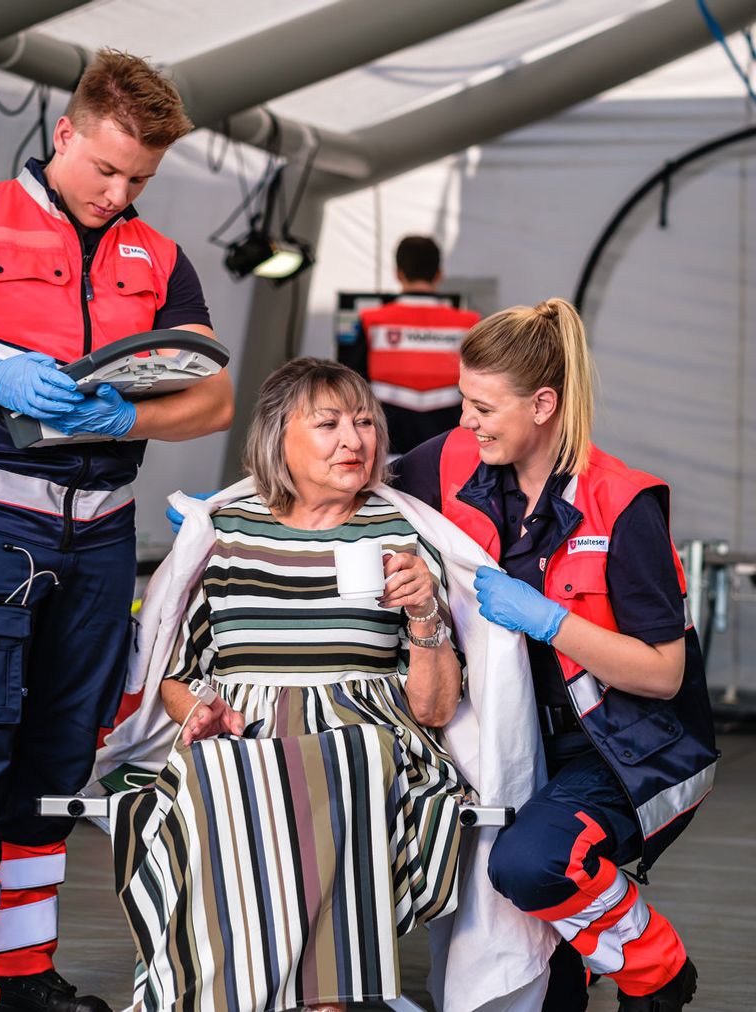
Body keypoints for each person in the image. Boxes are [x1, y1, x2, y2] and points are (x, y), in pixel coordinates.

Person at [0, 50, 234, 1012]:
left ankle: (25, 972)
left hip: (101, 533)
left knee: (63, 751)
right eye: (106, 170)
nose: (119, 194)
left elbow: (214, 398)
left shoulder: (157, 256)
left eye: (141, 181)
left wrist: (129, 419)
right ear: (64, 132)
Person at [393, 298, 718, 1012]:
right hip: (511, 740)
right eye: (462, 401)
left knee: (532, 863)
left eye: (482, 406)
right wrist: (245, 509)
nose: (465, 421)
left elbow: (664, 675)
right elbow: (346, 483)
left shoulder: (623, 504)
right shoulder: (450, 460)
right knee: (545, 987)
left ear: (543, 404)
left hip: (624, 747)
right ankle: (592, 958)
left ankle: (656, 968)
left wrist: (550, 621)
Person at [120, 358, 465, 1011]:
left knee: (332, 769)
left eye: (366, 423)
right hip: (245, 739)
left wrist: (424, 612)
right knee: (201, 791)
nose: (355, 441)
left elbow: (437, 706)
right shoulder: (225, 533)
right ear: (279, 436)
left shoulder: (401, 532)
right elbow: (178, 676)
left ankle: (318, 1000)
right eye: (330, 423)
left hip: (369, 743)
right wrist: (200, 710)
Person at [338, 235, 480, 455]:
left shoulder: (371, 321)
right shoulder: (469, 324)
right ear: (439, 274)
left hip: (385, 447)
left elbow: (347, 381)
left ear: (398, 274)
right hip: (449, 448)